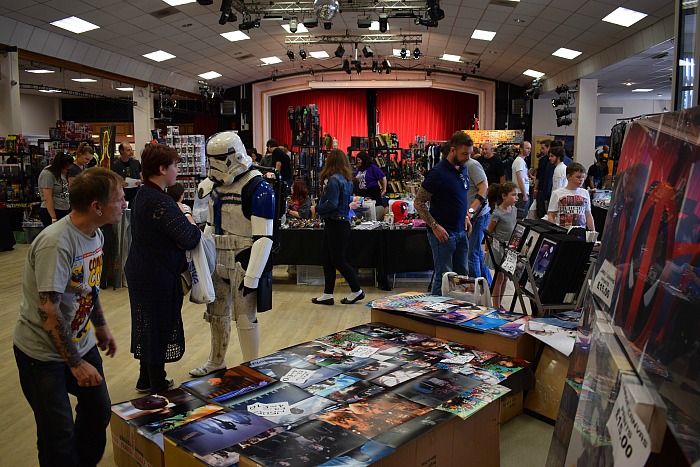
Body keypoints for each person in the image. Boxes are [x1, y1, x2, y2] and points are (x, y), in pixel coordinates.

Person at [13, 167, 124, 466]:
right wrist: (74, 364)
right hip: (42, 355)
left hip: (80, 341)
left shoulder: (95, 233)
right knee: (56, 435)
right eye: (119, 198)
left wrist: (100, 326)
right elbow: (48, 309)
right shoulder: (57, 243)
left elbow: (87, 287)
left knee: (98, 411)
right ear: (97, 207)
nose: (124, 203)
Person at [189, 131, 276, 377]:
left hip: (244, 257)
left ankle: (252, 367)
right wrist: (204, 256)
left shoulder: (258, 188)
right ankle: (216, 360)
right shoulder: (215, 187)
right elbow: (210, 225)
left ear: (234, 156)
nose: (214, 168)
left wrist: (253, 277)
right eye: (211, 161)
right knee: (216, 314)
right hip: (218, 255)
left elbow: (263, 237)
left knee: (245, 317)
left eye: (220, 160)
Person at [126, 144, 201, 393]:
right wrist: (188, 216)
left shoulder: (142, 196)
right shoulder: (161, 202)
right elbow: (190, 237)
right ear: (162, 169)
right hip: (157, 274)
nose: (177, 170)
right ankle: (157, 382)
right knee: (158, 324)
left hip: (140, 269)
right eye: (175, 165)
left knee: (147, 323)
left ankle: (145, 378)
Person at [414, 131, 473, 296]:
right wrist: (435, 227)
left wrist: (466, 217)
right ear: (452, 150)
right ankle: (436, 316)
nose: (467, 157)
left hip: (461, 231)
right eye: (464, 154)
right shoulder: (437, 173)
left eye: (469, 153)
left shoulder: (463, 169)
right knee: (444, 277)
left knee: (462, 277)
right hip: (443, 234)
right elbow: (419, 203)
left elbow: (459, 197)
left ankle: (459, 314)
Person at [311, 149, 365, 306]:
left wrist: (317, 209)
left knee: (337, 260)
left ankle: (357, 290)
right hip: (340, 223)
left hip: (335, 223)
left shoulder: (334, 180)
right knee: (328, 259)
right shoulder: (346, 180)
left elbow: (332, 203)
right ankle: (328, 294)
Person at [486, 182, 518, 309]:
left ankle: (499, 303)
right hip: (498, 249)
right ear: (504, 196)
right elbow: (489, 232)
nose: (517, 198)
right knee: (499, 278)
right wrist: (486, 250)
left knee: (505, 278)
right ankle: (495, 306)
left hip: (509, 249)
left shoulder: (514, 210)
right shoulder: (497, 213)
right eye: (514, 195)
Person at [466, 147, 492, 285]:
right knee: (477, 253)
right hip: (471, 217)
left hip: (478, 216)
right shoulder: (459, 166)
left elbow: (484, 189)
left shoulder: (472, 165)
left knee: (472, 253)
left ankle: (477, 291)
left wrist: (470, 212)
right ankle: (488, 286)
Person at [548, 162, 595, 230]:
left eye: (583, 177)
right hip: (562, 232)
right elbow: (551, 215)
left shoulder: (585, 193)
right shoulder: (557, 193)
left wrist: (593, 232)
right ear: (568, 177)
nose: (581, 179)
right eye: (578, 177)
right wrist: (553, 231)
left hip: (580, 232)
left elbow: (588, 215)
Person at [38, 153, 74, 227]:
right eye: (67, 169)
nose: (67, 172)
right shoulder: (47, 174)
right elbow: (48, 198)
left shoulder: (61, 174)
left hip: (64, 209)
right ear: (61, 166)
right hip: (52, 211)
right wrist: (53, 217)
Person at [534, 139, 553, 219]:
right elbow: (538, 176)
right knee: (540, 213)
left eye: (543, 148)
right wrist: (535, 189)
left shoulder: (554, 163)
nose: (541, 150)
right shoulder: (542, 160)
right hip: (541, 190)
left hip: (550, 190)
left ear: (549, 147)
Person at [512, 141, 531, 220]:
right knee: (520, 217)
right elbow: (520, 179)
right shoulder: (519, 161)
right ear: (521, 149)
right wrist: (524, 194)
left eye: (530, 148)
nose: (529, 150)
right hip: (520, 193)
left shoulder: (521, 161)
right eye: (527, 148)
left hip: (522, 192)